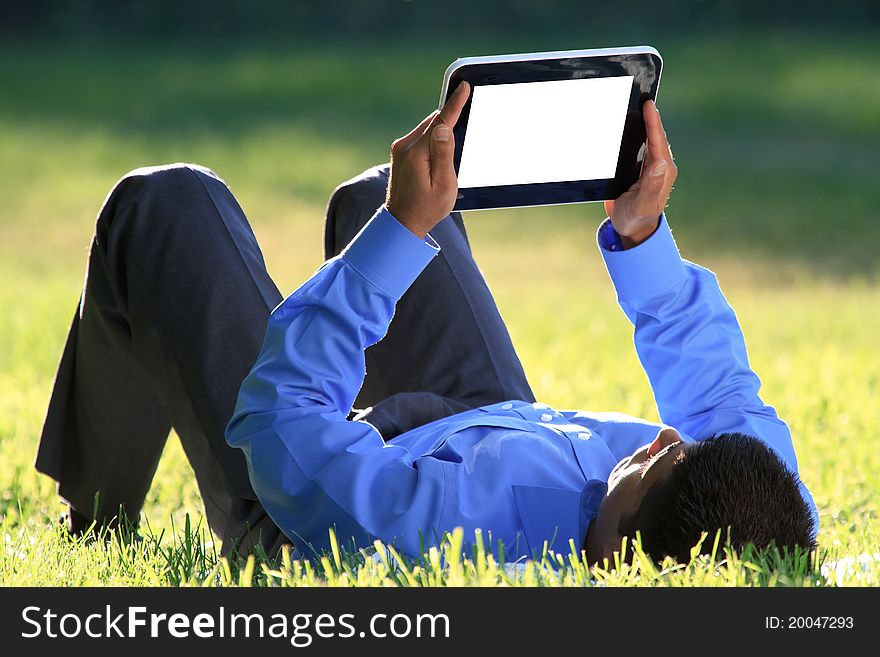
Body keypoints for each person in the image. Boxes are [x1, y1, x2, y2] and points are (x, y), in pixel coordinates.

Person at [36, 82, 817, 566]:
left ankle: (96, 519)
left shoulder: (441, 537)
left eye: (647, 468)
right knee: (383, 194)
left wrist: (397, 239)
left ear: (615, 562)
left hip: (303, 496)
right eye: (675, 444)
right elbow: (722, 396)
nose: (658, 438)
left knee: (166, 205)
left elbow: (281, 413)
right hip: (491, 423)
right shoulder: (765, 511)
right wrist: (642, 234)